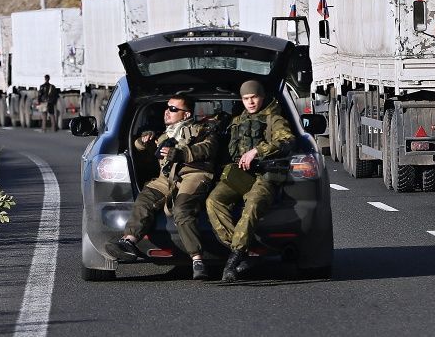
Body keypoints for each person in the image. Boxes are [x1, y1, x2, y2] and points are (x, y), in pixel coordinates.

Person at [105, 94, 219, 280]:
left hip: (193, 174)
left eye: (173, 109)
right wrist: (142, 142)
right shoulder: (165, 135)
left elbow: (207, 149)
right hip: (166, 177)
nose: (167, 111)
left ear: (186, 114)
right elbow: (146, 153)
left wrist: (181, 153)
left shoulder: (202, 131)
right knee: (144, 199)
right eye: (167, 107)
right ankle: (129, 241)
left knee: (182, 209)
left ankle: (197, 260)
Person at [206, 80, 296, 282]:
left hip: (265, 175)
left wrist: (257, 151)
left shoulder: (274, 118)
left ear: (262, 97)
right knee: (214, 201)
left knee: (253, 204)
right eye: (246, 98)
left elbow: (286, 140)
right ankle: (241, 250)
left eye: (254, 97)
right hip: (241, 174)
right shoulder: (237, 120)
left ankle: (233, 260)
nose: (251, 102)